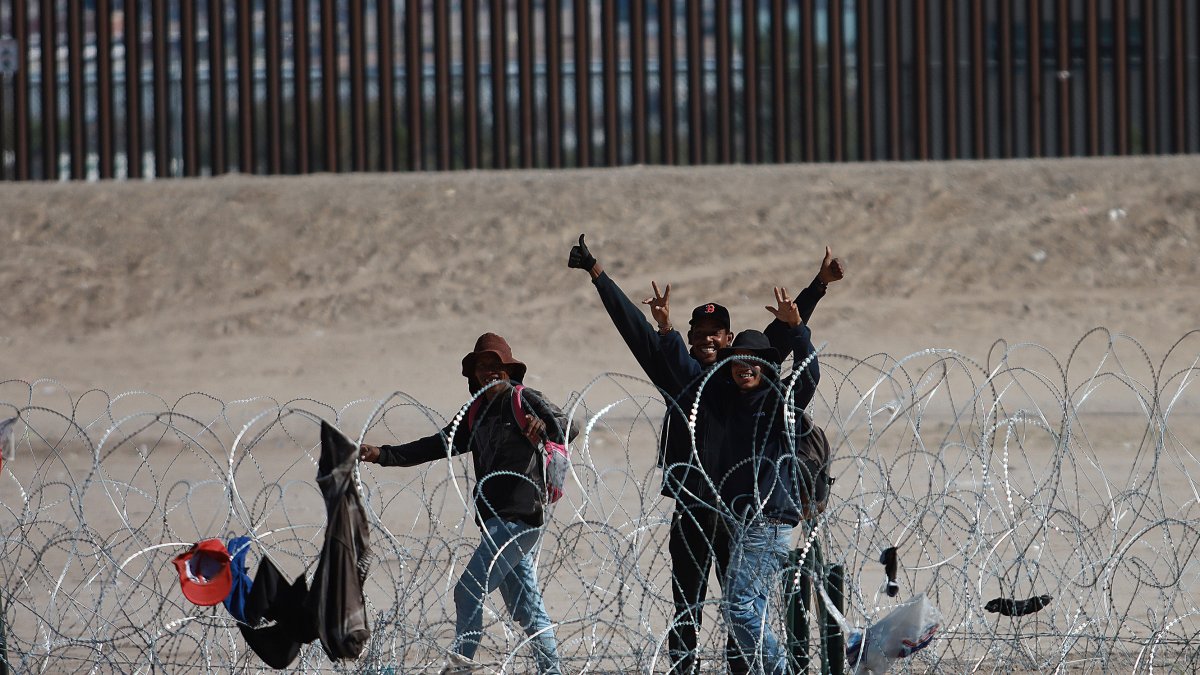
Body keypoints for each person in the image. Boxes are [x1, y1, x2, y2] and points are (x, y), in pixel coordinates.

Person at [568, 234, 842, 674]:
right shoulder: (682, 376)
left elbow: (783, 333)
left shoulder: (747, 377)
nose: (708, 340)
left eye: (716, 334)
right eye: (698, 334)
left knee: (740, 607)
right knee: (688, 604)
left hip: (740, 509)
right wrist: (598, 274)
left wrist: (818, 285)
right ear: (689, 339)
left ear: (729, 339)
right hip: (694, 508)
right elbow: (634, 330)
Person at [359, 333, 570, 675]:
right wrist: (382, 454)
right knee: (527, 611)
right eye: (482, 366)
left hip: (520, 519)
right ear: (473, 375)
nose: (489, 372)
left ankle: (461, 668)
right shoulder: (475, 413)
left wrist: (542, 426)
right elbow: (435, 445)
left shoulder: (523, 399)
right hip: (494, 524)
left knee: (468, 590)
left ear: (508, 370)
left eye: (495, 366)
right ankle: (552, 671)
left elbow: (567, 426)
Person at [657, 291, 821, 675]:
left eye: (754, 360)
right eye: (738, 361)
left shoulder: (780, 401)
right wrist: (666, 331)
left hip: (766, 522)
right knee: (752, 609)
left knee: (739, 609)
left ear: (767, 365)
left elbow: (809, 373)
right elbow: (685, 368)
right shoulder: (726, 400)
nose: (745, 367)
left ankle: (781, 671)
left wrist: (797, 327)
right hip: (742, 522)